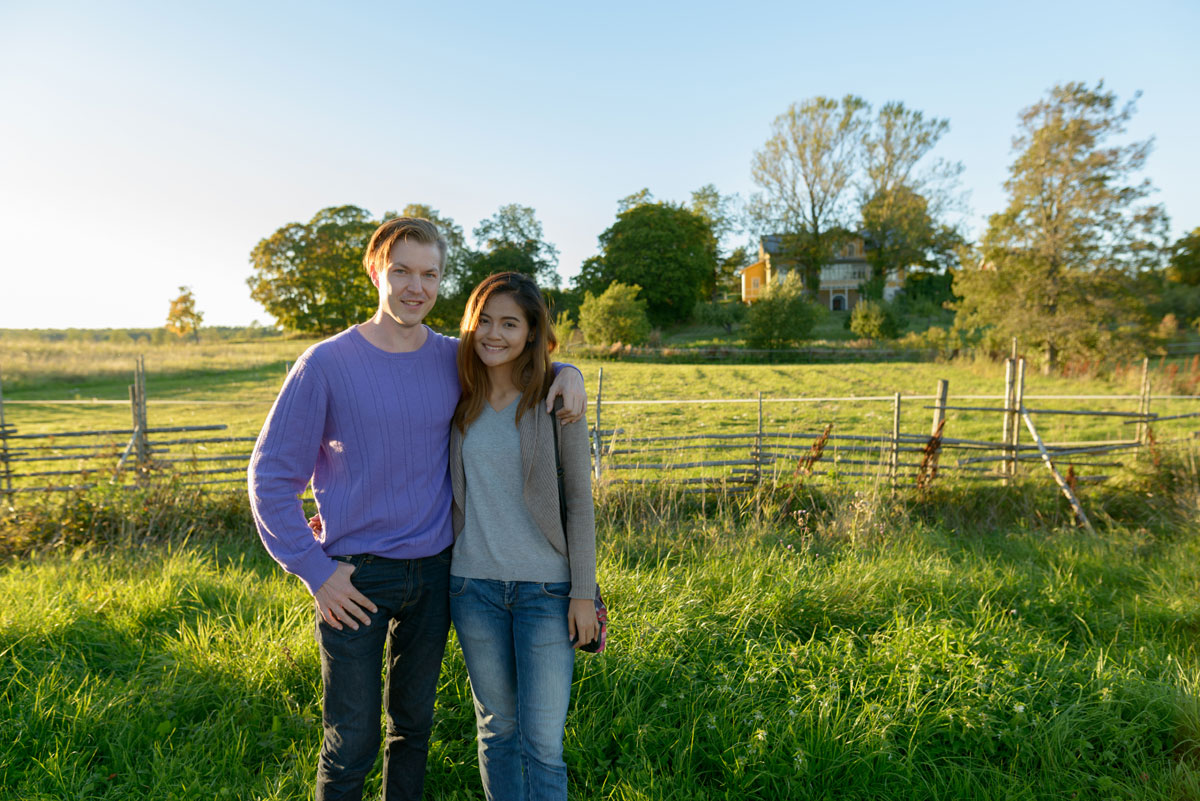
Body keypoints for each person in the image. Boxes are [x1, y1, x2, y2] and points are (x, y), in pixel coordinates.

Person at [247, 217, 585, 801]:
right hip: (353, 575)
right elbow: (270, 478)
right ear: (376, 272)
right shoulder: (325, 364)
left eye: (429, 274)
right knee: (350, 740)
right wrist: (315, 570)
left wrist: (570, 372)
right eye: (401, 270)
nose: (415, 286)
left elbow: (518, 357)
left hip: (435, 574)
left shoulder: (454, 360)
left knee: (413, 730)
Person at [447, 272, 598, 801]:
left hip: (547, 593)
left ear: (533, 333)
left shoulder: (557, 399)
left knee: (542, 743)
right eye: (483, 321)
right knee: (497, 732)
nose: (494, 334)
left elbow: (580, 502)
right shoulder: (457, 396)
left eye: (510, 323)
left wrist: (583, 593)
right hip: (473, 589)